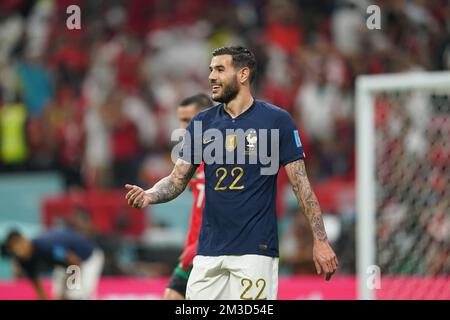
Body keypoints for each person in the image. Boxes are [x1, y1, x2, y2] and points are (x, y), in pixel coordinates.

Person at [125, 46, 338, 300]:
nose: (211, 77)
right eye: (210, 70)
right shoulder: (202, 123)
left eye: (220, 69)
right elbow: (176, 179)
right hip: (209, 252)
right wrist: (149, 195)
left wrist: (320, 239)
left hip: (254, 251)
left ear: (243, 74)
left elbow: (301, 186)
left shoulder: (276, 121)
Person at [163, 93, 213, 300]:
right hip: (193, 248)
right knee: (172, 296)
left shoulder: (222, 158)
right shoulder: (190, 157)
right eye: (180, 120)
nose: (183, 127)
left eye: (188, 120)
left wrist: (198, 245)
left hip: (211, 249)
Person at [1, 228, 104, 300]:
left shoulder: (46, 246)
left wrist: (71, 287)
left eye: (19, 244)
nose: (18, 249)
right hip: (64, 265)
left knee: (78, 294)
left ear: (25, 240)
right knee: (59, 296)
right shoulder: (23, 260)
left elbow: (74, 262)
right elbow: (37, 284)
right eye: (14, 247)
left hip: (88, 258)